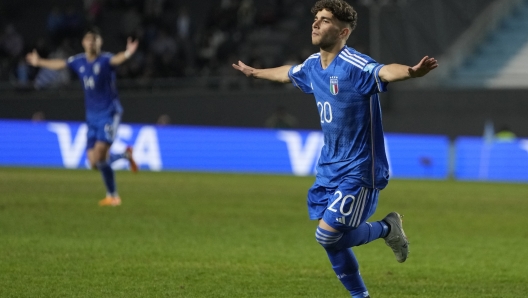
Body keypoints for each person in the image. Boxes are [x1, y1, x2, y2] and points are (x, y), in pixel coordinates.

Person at [232, 1, 438, 297]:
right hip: (328, 168)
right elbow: (288, 73)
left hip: (359, 169)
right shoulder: (313, 65)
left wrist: (411, 72)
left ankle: (387, 229)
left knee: (326, 236)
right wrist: (255, 73)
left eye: (325, 20)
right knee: (333, 239)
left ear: (343, 31)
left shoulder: (354, 65)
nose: (316, 23)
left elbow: (383, 72)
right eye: (316, 18)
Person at [26, 27, 139, 207]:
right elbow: (60, 64)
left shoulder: (105, 60)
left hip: (109, 113)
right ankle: (125, 155)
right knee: (94, 162)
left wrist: (128, 52)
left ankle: (113, 196)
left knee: (101, 156)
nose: (91, 42)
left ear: (100, 43)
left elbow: (117, 59)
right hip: (91, 116)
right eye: (88, 39)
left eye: (95, 39)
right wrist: (39, 61)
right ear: (83, 43)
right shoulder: (78, 62)